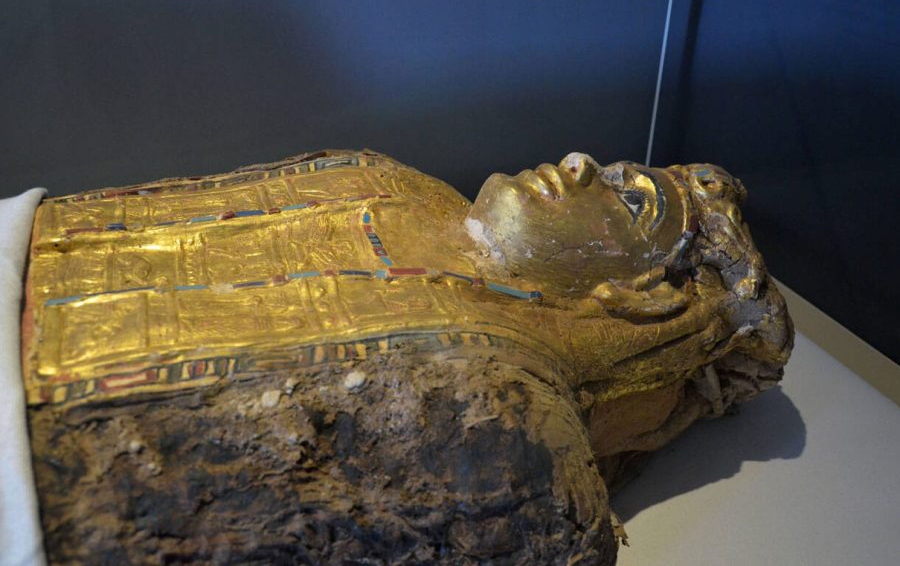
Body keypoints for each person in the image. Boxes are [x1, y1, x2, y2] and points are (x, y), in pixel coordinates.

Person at [22, 149, 791, 564]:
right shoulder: (393, 181)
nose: (582, 160)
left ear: (645, 297)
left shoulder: (507, 419)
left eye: (632, 205)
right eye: (621, 171)